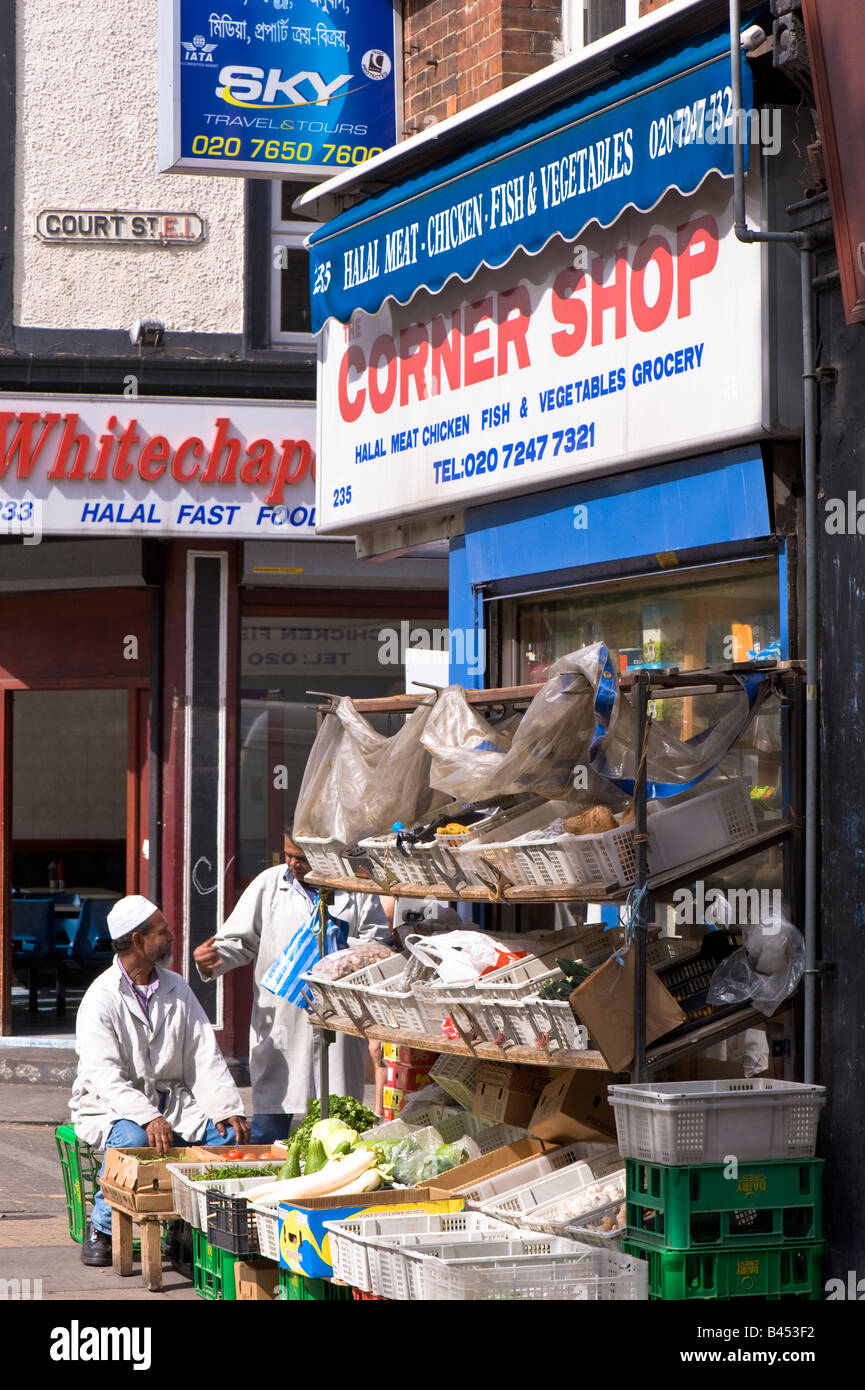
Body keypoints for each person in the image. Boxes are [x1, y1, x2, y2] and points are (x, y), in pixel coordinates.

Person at [70, 895, 250, 1266]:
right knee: (135, 1140)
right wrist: (146, 1116)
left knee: (227, 1137)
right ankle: (101, 1228)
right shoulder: (100, 999)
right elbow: (105, 1077)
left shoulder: (176, 987)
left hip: (174, 1103)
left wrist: (226, 1109)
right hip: (114, 1108)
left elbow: (203, 1053)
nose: (170, 937)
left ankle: (184, 1229)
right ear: (138, 940)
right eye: (162, 931)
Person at [194, 822, 394, 1145]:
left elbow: (377, 947)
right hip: (282, 1030)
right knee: (272, 1136)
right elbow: (238, 941)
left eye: (300, 857)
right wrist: (216, 957)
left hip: (339, 1025)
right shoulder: (268, 886)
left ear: (325, 854)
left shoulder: (356, 889)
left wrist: (336, 950)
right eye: (287, 855)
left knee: (338, 1135)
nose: (292, 863)